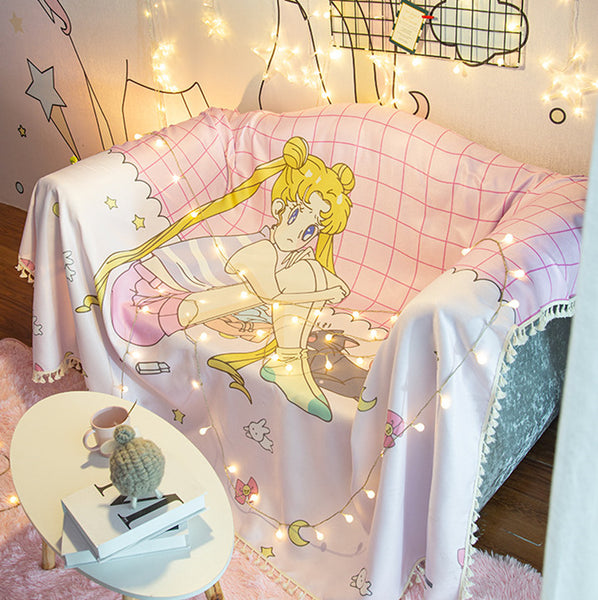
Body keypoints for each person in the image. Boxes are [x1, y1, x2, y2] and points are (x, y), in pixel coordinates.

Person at [83, 136, 354, 421]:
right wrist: (323, 293)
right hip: (140, 298)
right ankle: (287, 363)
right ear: (279, 210)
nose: (296, 236)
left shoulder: (279, 252)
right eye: (295, 216)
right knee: (284, 284)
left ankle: (289, 362)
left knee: (307, 272)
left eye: (310, 231)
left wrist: (322, 281)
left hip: (172, 294)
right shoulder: (259, 250)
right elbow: (272, 295)